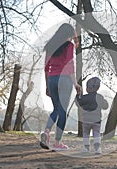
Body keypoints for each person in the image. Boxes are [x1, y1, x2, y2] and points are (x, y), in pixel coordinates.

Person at [40, 23, 82, 151]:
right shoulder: (69, 45)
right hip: (64, 80)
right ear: (69, 35)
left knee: (56, 109)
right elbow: (70, 64)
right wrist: (75, 83)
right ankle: (57, 143)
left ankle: (47, 132)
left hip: (52, 79)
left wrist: (47, 85)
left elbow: (46, 69)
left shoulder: (50, 46)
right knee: (62, 111)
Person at [75, 77, 109, 154]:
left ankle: (86, 148)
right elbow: (105, 107)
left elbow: (78, 103)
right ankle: (97, 148)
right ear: (97, 88)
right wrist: (105, 101)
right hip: (96, 120)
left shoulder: (85, 97)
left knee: (86, 133)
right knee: (96, 133)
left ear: (88, 88)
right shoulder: (99, 97)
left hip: (86, 120)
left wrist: (78, 95)